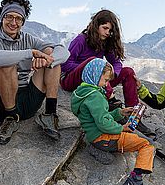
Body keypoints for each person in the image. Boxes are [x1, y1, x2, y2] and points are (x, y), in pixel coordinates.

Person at [0, 0, 69, 144]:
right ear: (2, 18)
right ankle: (11, 119)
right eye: (9, 17)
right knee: (6, 65)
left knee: (51, 58)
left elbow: (63, 52)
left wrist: (47, 59)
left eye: (18, 19)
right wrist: (31, 53)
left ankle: (50, 114)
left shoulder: (28, 38)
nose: (13, 23)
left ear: (23, 22)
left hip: (26, 102)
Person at [61, 9, 156, 139]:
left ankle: (132, 114)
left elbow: (117, 63)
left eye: (110, 30)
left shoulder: (104, 43)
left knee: (128, 72)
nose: (107, 32)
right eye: (104, 28)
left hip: (98, 82)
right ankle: (111, 101)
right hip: (72, 80)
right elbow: (65, 64)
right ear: (96, 26)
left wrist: (113, 75)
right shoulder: (81, 40)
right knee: (94, 63)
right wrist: (91, 69)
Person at [71, 58, 155, 185]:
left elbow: (99, 117)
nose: (106, 84)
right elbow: (103, 123)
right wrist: (122, 128)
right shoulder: (95, 96)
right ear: (95, 76)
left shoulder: (82, 92)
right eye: (105, 80)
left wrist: (119, 112)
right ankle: (135, 180)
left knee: (135, 143)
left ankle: (95, 147)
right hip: (105, 137)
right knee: (147, 145)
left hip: (95, 136)